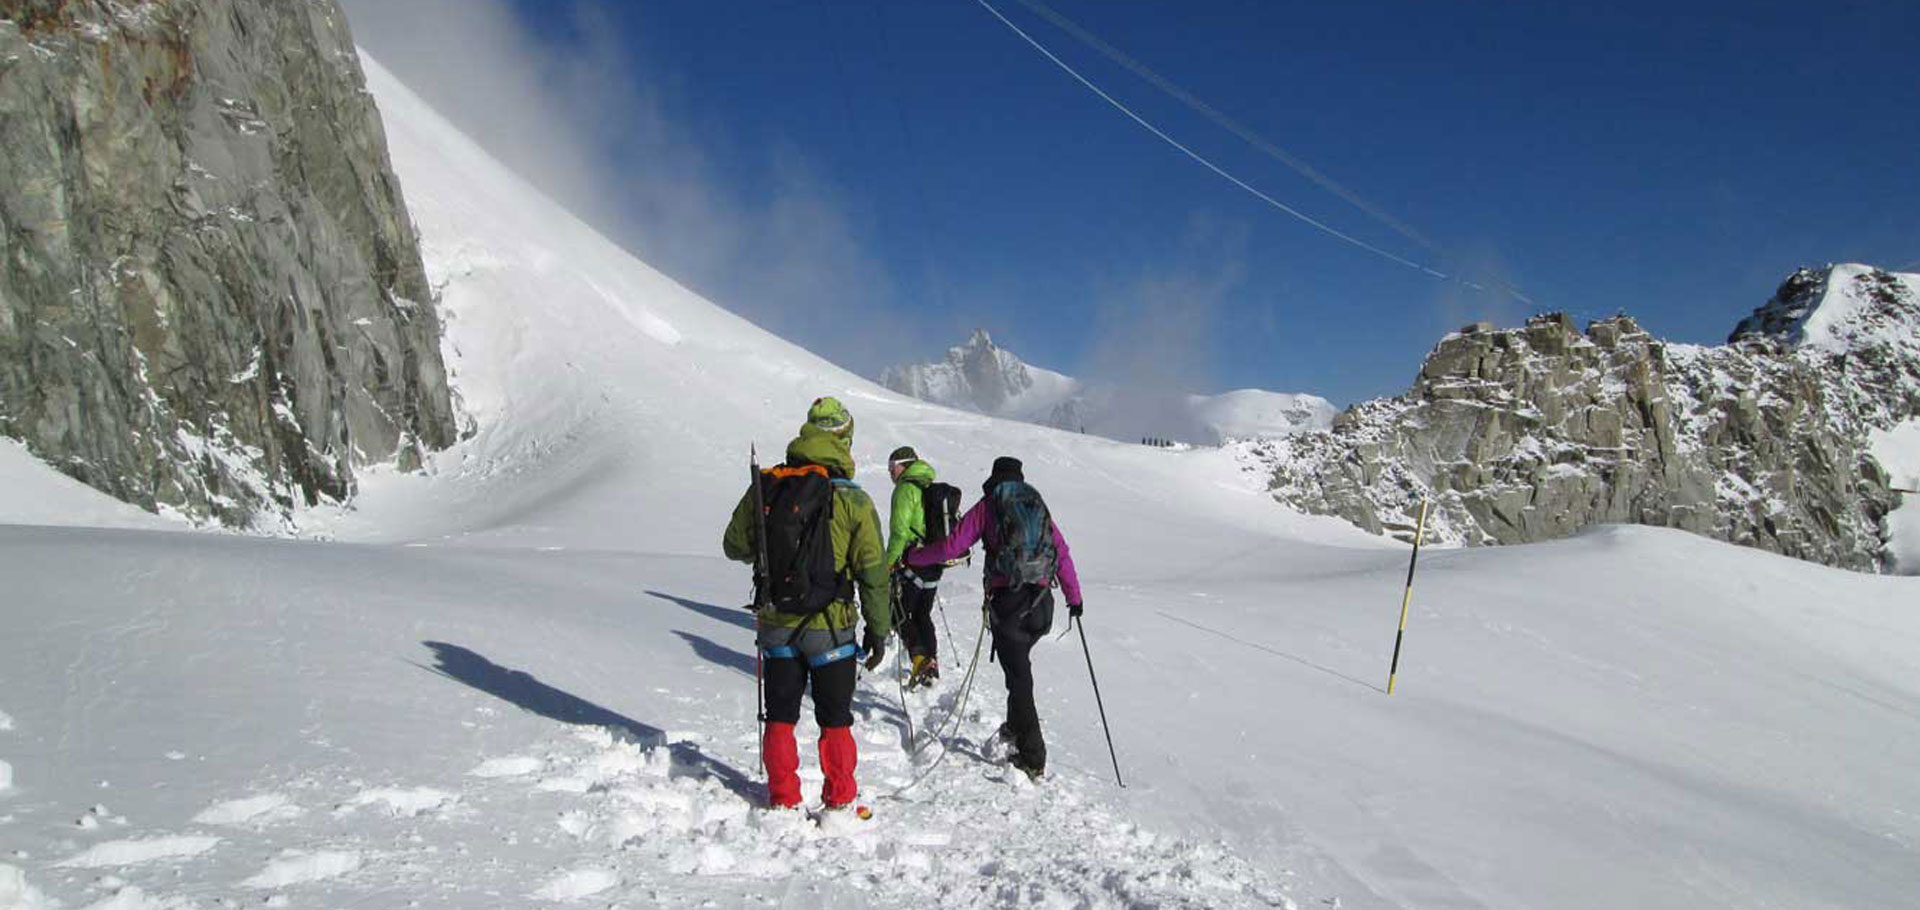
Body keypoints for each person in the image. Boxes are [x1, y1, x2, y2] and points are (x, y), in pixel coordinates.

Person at [723, 397, 891, 810]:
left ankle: (782, 799)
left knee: (780, 715)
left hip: (777, 621)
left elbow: (733, 545)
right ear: (844, 439)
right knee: (835, 718)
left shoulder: (769, 486)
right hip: (831, 627)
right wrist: (879, 629)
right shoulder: (855, 500)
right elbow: (872, 572)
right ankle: (838, 801)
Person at [905, 456, 1082, 779]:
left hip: (1009, 603)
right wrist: (1075, 597)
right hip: (1043, 604)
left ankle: (1032, 756)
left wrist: (913, 557)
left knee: (1018, 677)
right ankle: (1016, 727)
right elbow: (1062, 551)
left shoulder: (990, 505)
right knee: (1019, 669)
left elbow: (952, 546)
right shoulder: (1036, 504)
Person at [884, 445, 945, 688]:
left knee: (896, 613)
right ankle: (931, 663)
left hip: (913, 559)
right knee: (922, 613)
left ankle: (920, 659)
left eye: (893, 467)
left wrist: (888, 563)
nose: (890, 473)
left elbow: (899, 532)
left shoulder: (905, 489)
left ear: (904, 465)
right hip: (934, 560)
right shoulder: (927, 485)